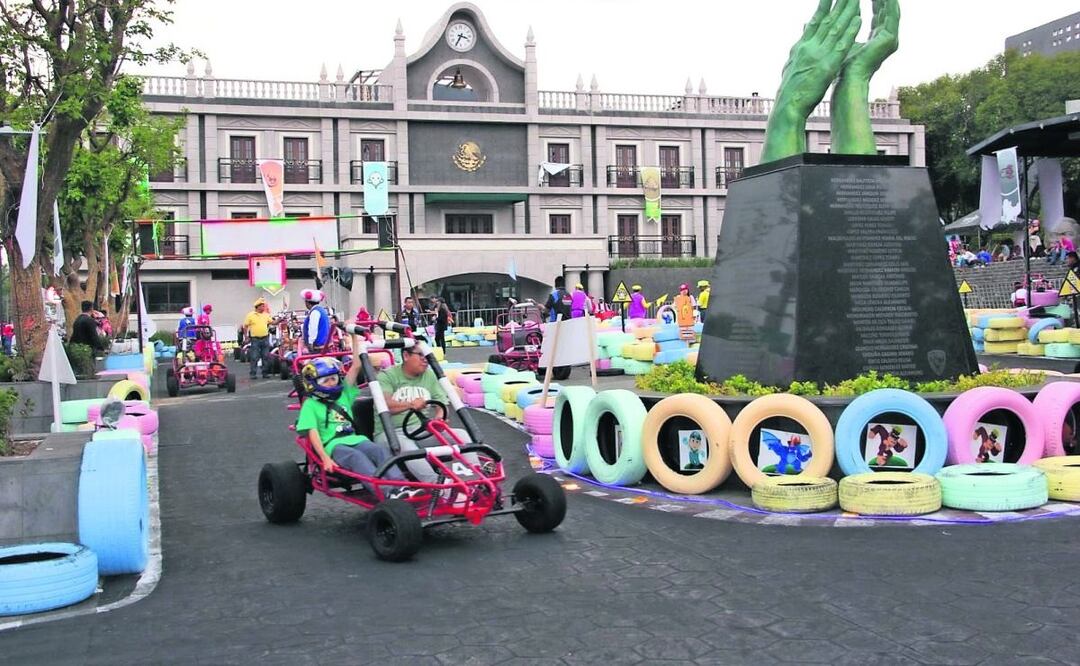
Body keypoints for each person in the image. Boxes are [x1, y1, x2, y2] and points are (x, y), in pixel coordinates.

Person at [295, 346, 401, 493]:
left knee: (379, 451)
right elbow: (313, 433)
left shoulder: (343, 395)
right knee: (356, 457)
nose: (331, 383)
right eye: (325, 380)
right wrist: (325, 458)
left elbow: (357, 365)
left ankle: (401, 485)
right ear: (314, 383)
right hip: (333, 446)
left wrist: (353, 335)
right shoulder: (310, 405)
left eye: (334, 378)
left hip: (356, 439)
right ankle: (387, 491)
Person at [372, 343, 474, 483]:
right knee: (409, 449)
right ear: (406, 356)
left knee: (461, 435)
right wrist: (410, 405)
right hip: (389, 434)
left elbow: (441, 403)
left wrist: (439, 419)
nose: (425, 359)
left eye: (426, 355)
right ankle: (440, 488)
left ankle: (474, 479)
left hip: (419, 431)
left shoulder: (429, 376)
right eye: (420, 355)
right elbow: (385, 405)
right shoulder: (386, 376)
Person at [243, 297, 273, 379]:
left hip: (265, 338)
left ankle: (265, 373)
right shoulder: (250, 315)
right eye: (263, 306)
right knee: (254, 356)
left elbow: (272, 322)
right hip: (255, 339)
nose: (264, 307)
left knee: (265, 356)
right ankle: (253, 373)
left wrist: (279, 320)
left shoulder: (266, 315)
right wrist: (246, 337)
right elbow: (245, 326)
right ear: (258, 306)